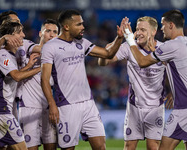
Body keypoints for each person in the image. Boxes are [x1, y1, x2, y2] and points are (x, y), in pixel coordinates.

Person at [41, 9, 124, 150]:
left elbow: (108, 54)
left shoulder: (82, 43)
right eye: (79, 24)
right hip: (67, 105)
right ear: (67, 26)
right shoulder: (50, 47)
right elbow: (44, 80)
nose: (83, 27)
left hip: (88, 104)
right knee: (68, 148)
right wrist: (52, 104)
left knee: (100, 147)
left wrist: (119, 38)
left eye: (82, 24)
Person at [98, 16, 166, 150]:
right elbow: (103, 62)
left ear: (153, 32)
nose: (139, 32)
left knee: (153, 147)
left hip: (156, 107)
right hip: (135, 106)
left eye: (143, 30)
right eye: (137, 29)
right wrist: (119, 38)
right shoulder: (128, 47)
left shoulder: (164, 49)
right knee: (129, 146)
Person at [123, 10, 187, 150]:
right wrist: (175, 91)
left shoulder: (170, 45)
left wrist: (129, 38)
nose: (162, 28)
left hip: (183, 109)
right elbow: (178, 69)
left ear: (171, 25)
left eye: (163, 25)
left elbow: (142, 61)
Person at [0, 21, 40, 150]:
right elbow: (16, 76)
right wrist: (42, 68)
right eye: (19, 32)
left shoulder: (8, 55)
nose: (23, 35)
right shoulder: (2, 54)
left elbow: (11, 75)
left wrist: (28, 67)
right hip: (0, 109)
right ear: (10, 37)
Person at [19, 19, 59, 150]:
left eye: (55, 32)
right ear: (40, 33)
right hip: (29, 108)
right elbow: (16, 76)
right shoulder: (27, 50)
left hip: (49, 109)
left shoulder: (58, 58)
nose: (52, 35)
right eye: (48, 31)